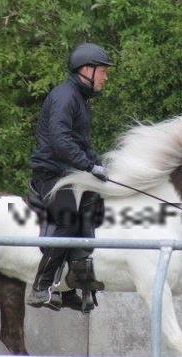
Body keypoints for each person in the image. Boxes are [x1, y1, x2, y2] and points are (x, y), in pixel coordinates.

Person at [27, 42, 114, 310]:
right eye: (102, 71)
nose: (105, 77)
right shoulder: (65, 96)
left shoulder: (80, 100)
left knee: (92, 207)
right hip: (51, 174)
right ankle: (41, 286)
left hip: (68, 172)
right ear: (86, 70)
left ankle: (71, 286)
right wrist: (88, 167)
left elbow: (82, 143)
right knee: (68, 218)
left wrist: (99, 165)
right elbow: (60, 141)